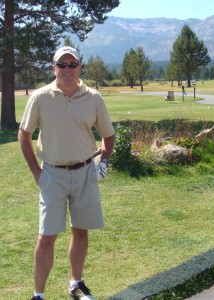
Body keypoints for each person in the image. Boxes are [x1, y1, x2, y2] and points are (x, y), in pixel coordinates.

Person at [18, 46, 115, 300]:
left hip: (85, 172)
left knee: (81, 230)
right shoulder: (40, 97)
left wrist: (103, 162)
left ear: (80, 67)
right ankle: (38, 294)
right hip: (53, 174)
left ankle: (76, 284)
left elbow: (108, 134)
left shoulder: (93, 97)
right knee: (47, 236)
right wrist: (36, 172)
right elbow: (24, 134)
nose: (68, 69)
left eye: (72, 64)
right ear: (54, 68)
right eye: (62, 65)